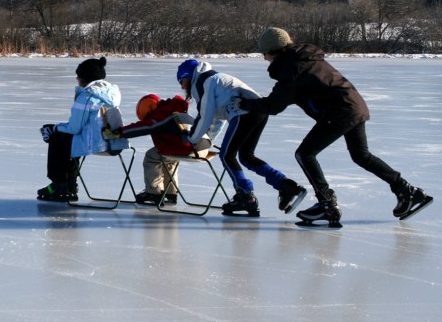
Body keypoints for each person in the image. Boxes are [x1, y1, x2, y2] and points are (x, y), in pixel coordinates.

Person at [235, 27, 433, 226]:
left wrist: (245, 104)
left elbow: (273, 106)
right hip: (353, 106)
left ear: (274, 50)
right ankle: (407, 190)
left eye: (264, 53)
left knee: (305, 154)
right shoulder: (304, 58)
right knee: (361, 155)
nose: (264, 58)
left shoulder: (293, 69)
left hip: (339, 112)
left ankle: (327, 205)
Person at [176, 59, 307, 217]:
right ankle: (286, 186)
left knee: (227, 156)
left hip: (244, 113)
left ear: (188, 76)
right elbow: (216, 119)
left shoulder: (205, 82)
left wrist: (191, 138)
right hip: (257, 112)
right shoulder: (211, 80)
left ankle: (246, 196)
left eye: (181, 81)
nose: (182, 86)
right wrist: (207, 140)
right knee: (246, 156)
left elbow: (205, 116)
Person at [38, 57, 128, 202]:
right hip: (115, 142)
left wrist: (53, 128)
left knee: (57, 139)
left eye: (78, 76)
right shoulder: (111, 93)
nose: (76, 78)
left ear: (84, 78)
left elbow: (74, 127)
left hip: (97, 143)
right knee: (66, 140)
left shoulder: (87, 96)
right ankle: (69, 186)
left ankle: (60, 185)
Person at [113, 93, 211, 205]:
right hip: (203, 148)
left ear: (148, 109)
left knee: (151, 156)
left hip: (190, 148)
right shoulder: (174, 110)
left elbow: (145, 127)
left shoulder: (163, 114)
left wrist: (120, 132)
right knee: (168, 158)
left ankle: (154, 192)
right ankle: (170, 193)